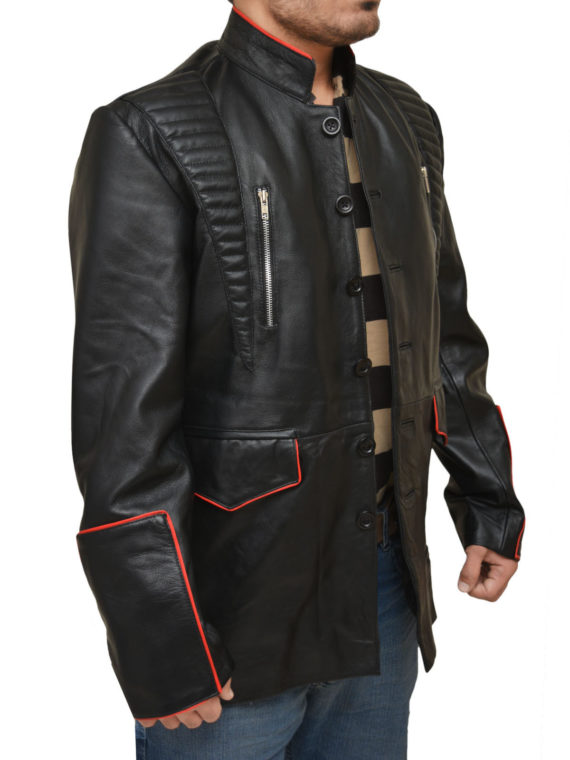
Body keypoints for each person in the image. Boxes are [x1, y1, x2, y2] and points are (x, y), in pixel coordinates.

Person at [68, 0, 526, 757]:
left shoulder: (406, 119)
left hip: (385, 586)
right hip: (229, 609)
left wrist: (488, 500)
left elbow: (442, 334)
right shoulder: (154, 131)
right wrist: (160, 631)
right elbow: (121, 417)